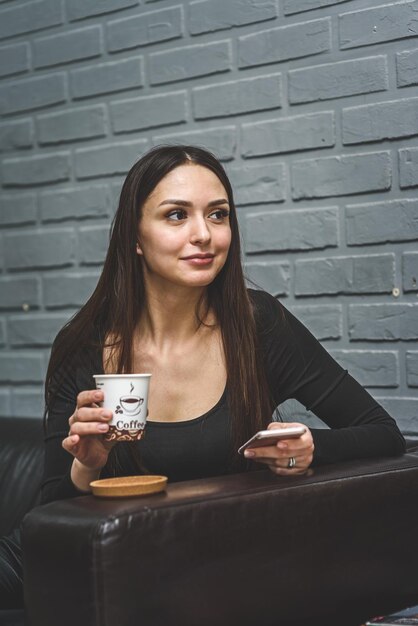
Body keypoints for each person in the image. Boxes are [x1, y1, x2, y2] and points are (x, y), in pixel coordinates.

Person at [0, 144, 406, 608]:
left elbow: (383, 433)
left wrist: (309, 449)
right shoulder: (83, 345)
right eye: (176, 216)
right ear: (135, 237)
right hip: (99, 572)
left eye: (218, 215)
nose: (204, 235)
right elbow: (47, 522)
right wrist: (88, 463)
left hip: (209, 578)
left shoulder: (259, 326)